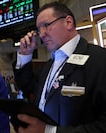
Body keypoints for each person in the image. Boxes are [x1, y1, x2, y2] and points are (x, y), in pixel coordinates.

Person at [13, 1, 106, 133]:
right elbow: (28, 87)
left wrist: (49, 131)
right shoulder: (50, 65)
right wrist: (25, 55)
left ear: (68, 22)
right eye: (39, 29)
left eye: (46, 25)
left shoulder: (100, 60)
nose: (42, 34)